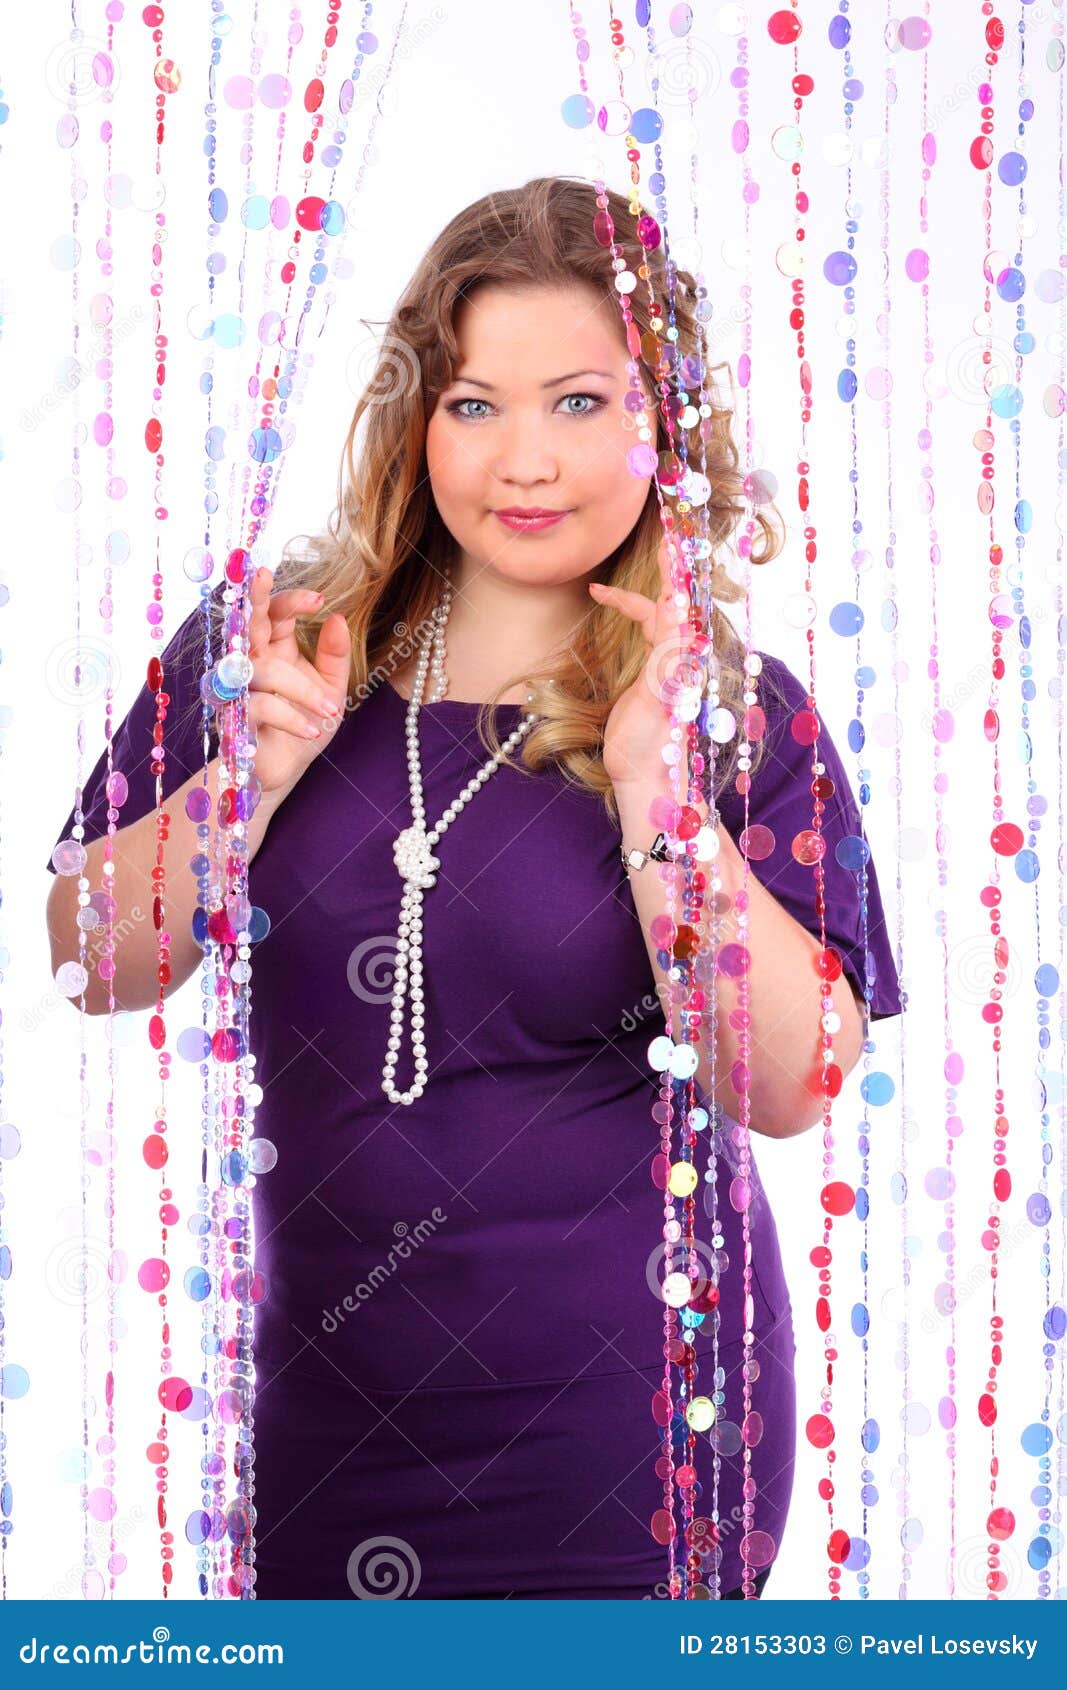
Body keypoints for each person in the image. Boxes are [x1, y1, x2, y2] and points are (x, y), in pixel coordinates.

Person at [45, 176, 902, 1600]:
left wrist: (653, 787)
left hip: (629, 1425)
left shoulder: (732, 714)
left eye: (578, 402)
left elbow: (796, 1086)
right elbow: (90, 960)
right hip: (324, 1412)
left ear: (663, 425)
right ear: (414, 417)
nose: (525, 460)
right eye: (471, 403)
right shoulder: (268, 643)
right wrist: (249, 780)